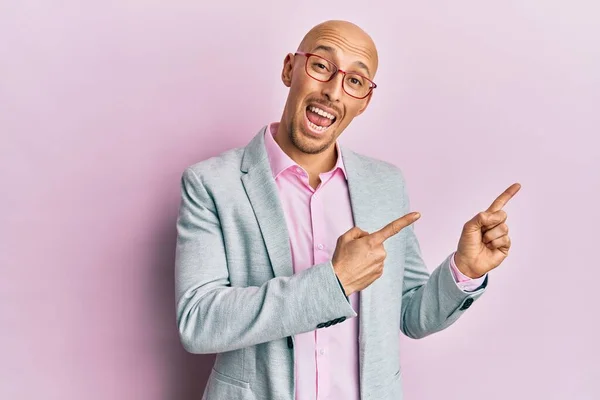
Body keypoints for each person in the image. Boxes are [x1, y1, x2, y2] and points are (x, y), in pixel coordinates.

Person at [174, 19, 521, 400]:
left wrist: (464, 271)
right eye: (321, 66)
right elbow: (198, 322)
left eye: (355, 81)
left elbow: (409, 313)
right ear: (290, 68)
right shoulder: (211, 183)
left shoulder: (385, 185)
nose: (332, 92)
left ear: (364, 101)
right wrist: (334, 281)